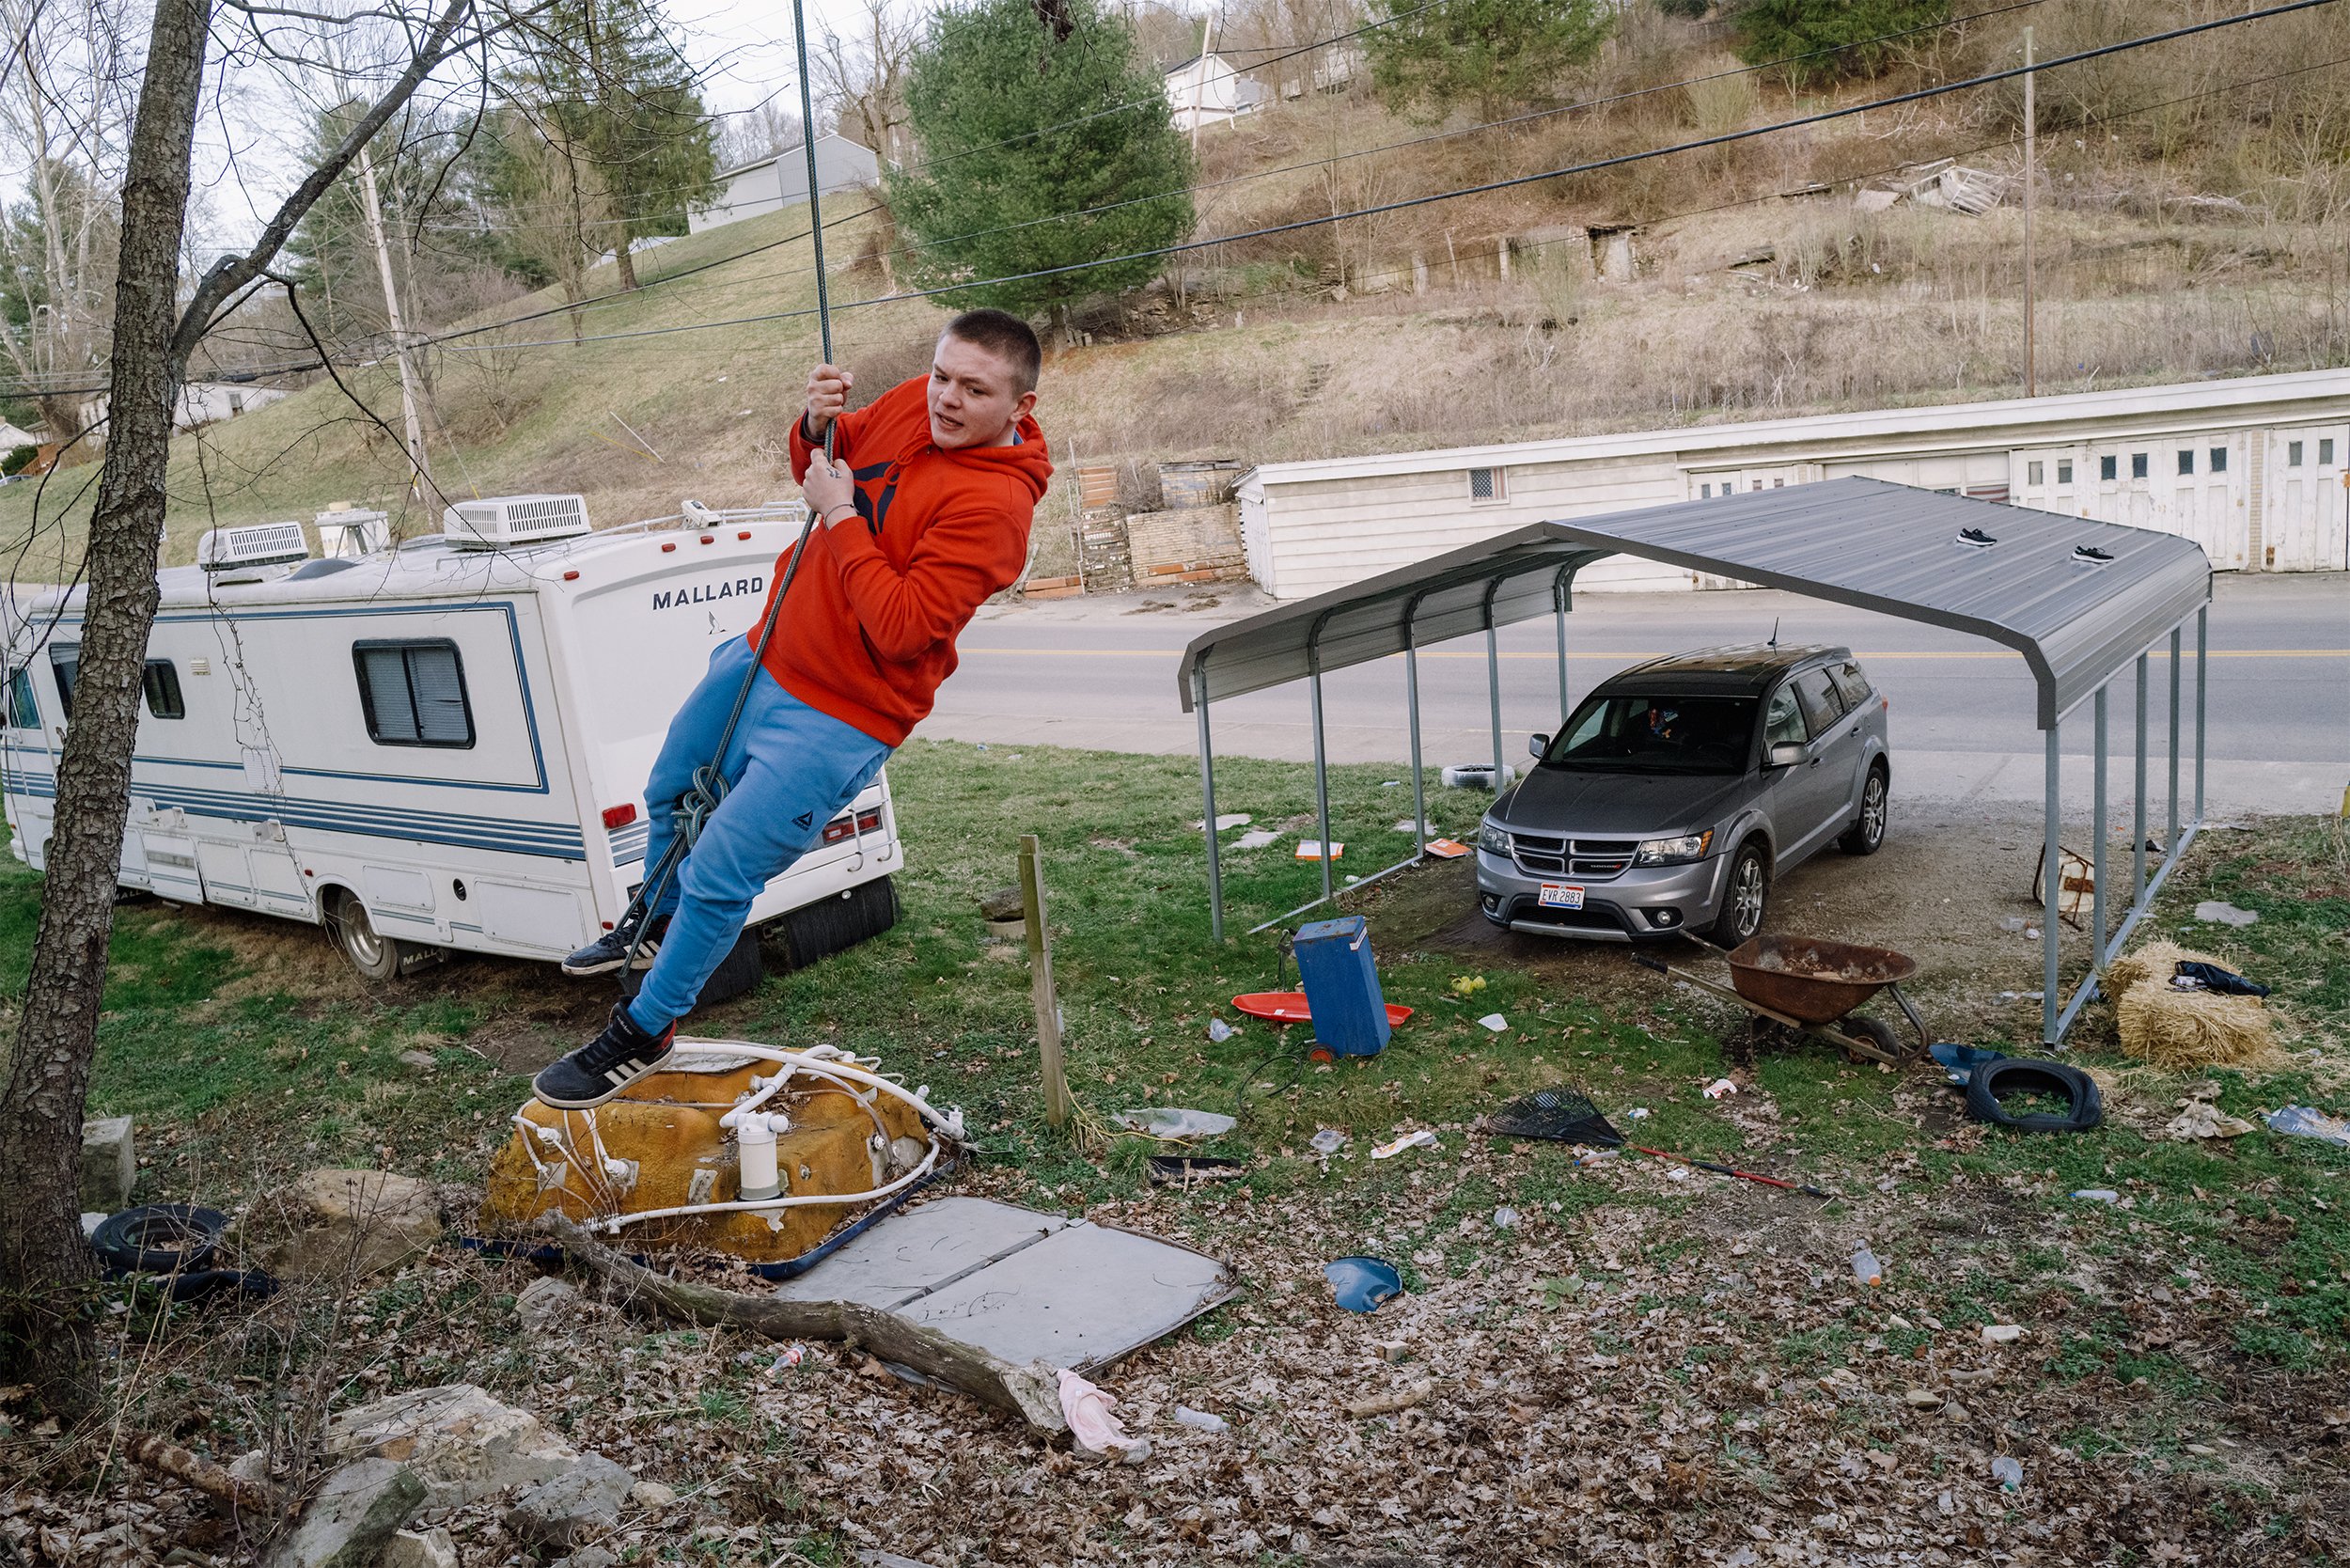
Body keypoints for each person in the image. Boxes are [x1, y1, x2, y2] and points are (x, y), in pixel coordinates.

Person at [531, 308, 1053, 1108]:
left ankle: (645, 1031)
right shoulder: (918, 400)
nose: (944, 399)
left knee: (721, 873)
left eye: (972, 390)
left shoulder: (995, 511)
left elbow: (903, 626)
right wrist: (813, 422)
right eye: (942, 375)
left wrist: (841, 516)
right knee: (670, 789)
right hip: (765, 651)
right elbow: (819, 463)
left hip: (840, 713)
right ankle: (651, 922)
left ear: (1019, 406)